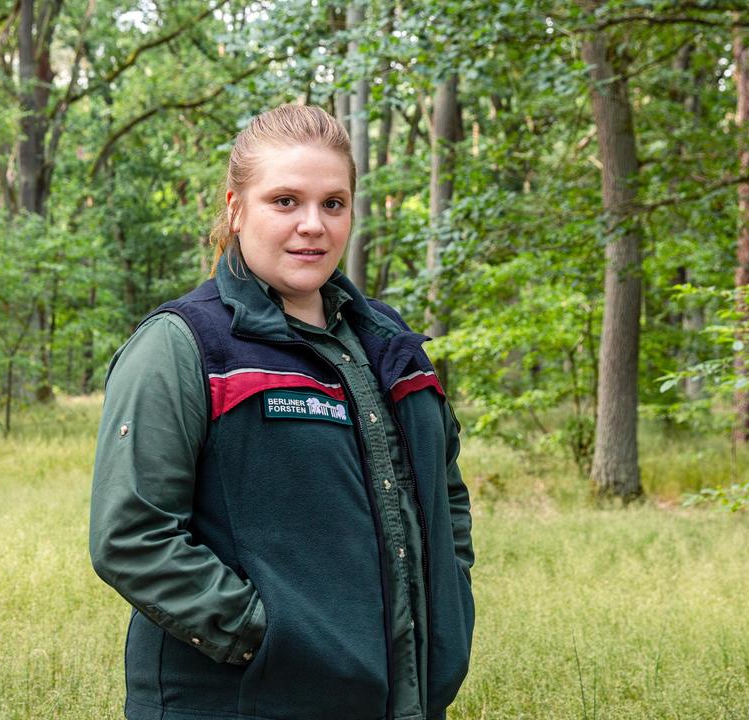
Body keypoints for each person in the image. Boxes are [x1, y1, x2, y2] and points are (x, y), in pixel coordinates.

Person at [89, 103, 474, 720]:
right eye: (285, 201)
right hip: (241, 703)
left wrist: (449, 604)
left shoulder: (390, 344)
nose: (313, 225)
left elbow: (444, 494)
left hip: (398, 697)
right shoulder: (184, 344)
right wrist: (269, 638)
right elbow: (133, 537)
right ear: (237, 208)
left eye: (333, 203)